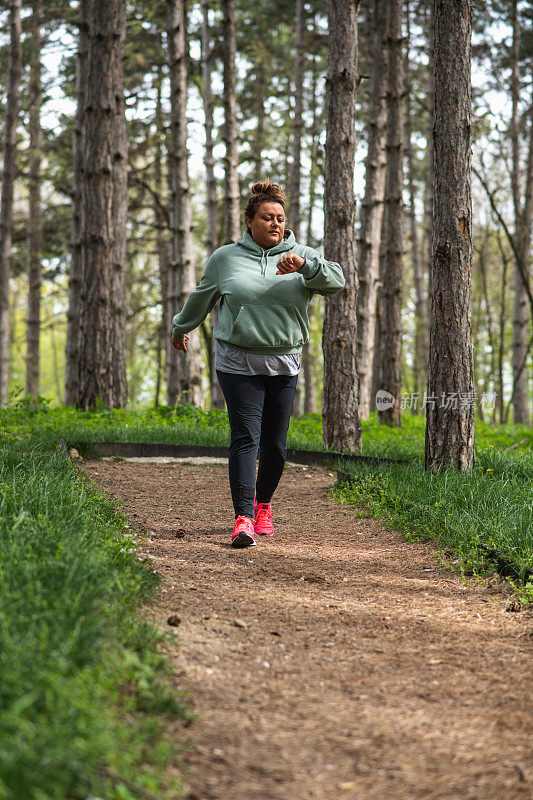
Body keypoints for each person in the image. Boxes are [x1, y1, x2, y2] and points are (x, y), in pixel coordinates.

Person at [171, 180, 345, 548]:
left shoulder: (301, 254)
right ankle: (243, 518)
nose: (275, 224)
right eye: (267, 218)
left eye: (280, 218)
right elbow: (202, 297)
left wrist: (305, 265)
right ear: (249, 221)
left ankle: (263, 504)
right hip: (237, 360)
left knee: (276, 445)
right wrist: (180, 327)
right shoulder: (225, 258)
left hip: (284, 360)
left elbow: (337, 282)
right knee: (245, 437)